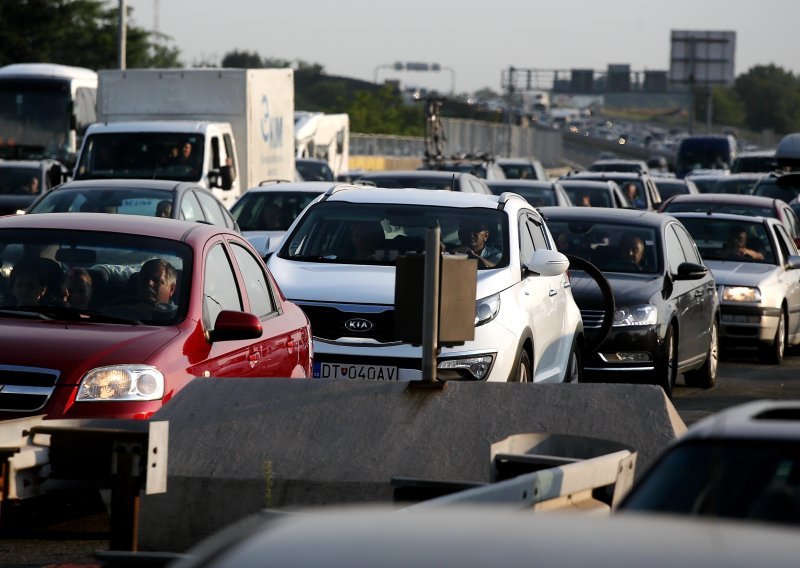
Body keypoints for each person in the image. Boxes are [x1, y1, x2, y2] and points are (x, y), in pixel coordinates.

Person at [104, 258, 178, 320]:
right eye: (144, 279)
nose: (149, 283)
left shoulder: (179, 318)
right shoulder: (118, 308)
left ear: (172, 289)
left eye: (157, 281)